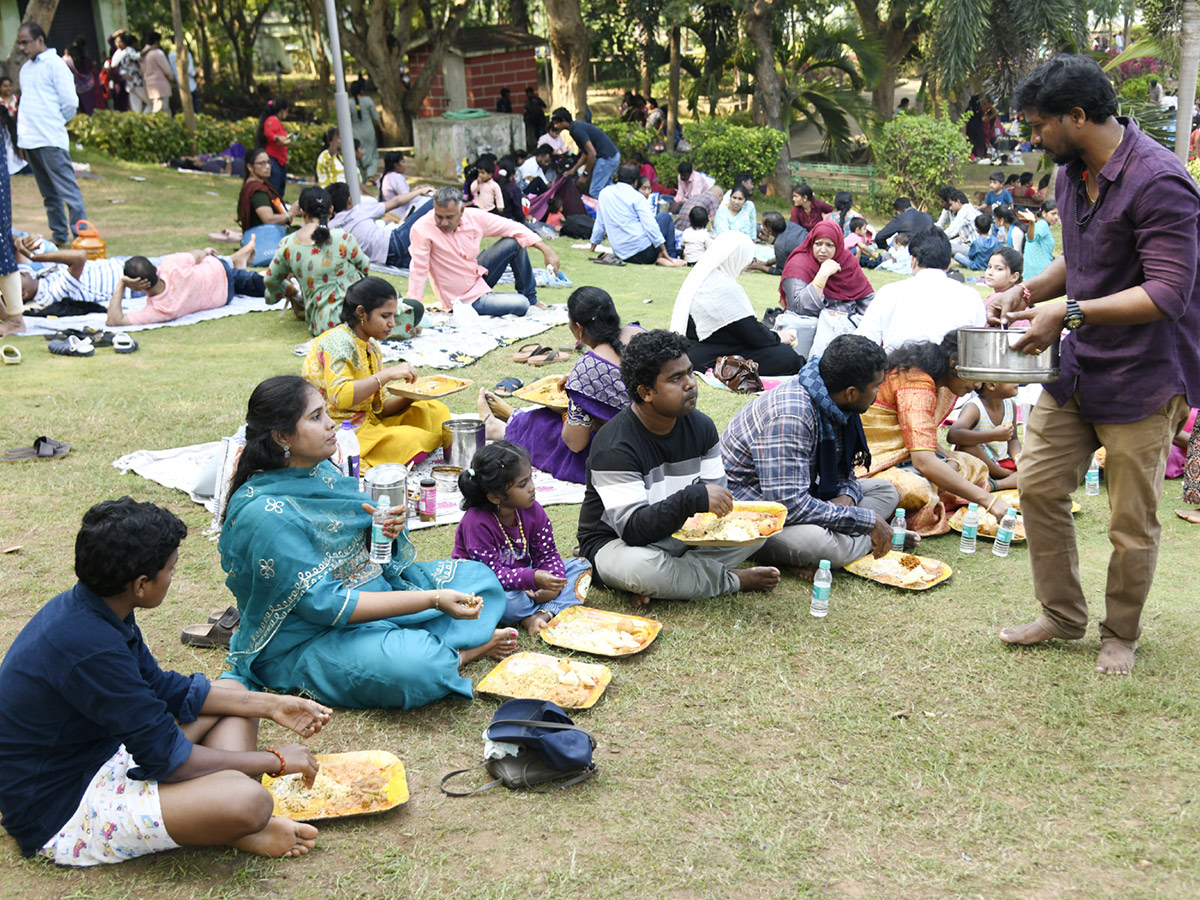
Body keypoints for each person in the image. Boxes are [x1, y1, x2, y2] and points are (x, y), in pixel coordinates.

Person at [985, 55, 1200, 675]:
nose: (1034, 138)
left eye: (1040, 125)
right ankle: (1061, 615)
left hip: (1145, 375)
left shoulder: (1161, 182)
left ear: (1077, 117)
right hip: (1078, 368)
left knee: (1130, 521)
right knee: (1038, 486)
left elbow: (1167, 293)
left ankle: (1121, 633)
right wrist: (1026, 293)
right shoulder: (1070, 173)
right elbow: (1079, 259)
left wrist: (1068, 313)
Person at [0, 497, 329, 865]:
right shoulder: (90, 647)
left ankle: (210, 815)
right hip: (62, 807)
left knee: (235, 693)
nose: (174, 576)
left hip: (102, 754)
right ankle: (231, 824)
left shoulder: (99, 608)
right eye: (171, 569)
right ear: (140, 584)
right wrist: (276, 760)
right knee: (249, 801)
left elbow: (161, 688)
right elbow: (169, 760)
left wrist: (272, 706)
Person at [219, 375, 516, 709]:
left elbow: (366, 554)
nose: (332, 424)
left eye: (325, 413)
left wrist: (384, 534)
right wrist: (432, 599)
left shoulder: (320, 472)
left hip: (372, 593)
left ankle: (419, 638)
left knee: (481, 580)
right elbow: (327, 605)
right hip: (311, 636)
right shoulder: (265, 514)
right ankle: (463, 653)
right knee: (419, 665)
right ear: (282, 436)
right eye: (316, 417)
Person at [576, 330, 782, 607]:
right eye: (676, 378)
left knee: (755, 534)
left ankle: (671, 581)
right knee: (642, 568)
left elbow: (717, 504)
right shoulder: (615, 447)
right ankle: (731, 580)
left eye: (689, 373)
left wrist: (715, 511)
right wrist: (693, 498)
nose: (690, 385)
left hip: (681, 533)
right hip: (617, 542)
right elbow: (634, 530)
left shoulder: (702, 426)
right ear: (646, 392)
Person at [722, 335, 904, 573]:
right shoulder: (791, 415)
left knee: (885, 491)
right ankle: (868, 541)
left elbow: (844, 471)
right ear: (851, 392)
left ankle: (856, 540)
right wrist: (864, 520)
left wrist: (847, 498)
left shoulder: (834, 400)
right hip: (755, 511)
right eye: (876, 387)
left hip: (805, 493)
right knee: (816, 543)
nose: (878, 394)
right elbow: (788, 506)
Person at [478, 287, 640, 483]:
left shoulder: (588, 369)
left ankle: (503, 427)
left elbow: (575, 443)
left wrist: (573, 399)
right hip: (664, 438)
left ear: (579, 328)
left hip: (628, 458)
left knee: (543, 424)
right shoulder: (638, 332)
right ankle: (510, 418)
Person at [859, 334, 1009, 535]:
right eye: (976, 375)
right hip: (872, 461)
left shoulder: (940, 382)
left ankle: (961, 490)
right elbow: (923, 461)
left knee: (973, 464)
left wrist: (947, 459)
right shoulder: (916, 383)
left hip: (907, 457)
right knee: (917, 490)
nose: (978, 385)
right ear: (954, 362)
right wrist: (989, 501)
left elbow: (922, 438)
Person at [302, 277, 444, 467]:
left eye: (393, 316)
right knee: (413, 439)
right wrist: (386, 375)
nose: (393, 323)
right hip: (341, 431)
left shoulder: (372, 346)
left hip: (370, 422)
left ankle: (414, 443)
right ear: (361, 312)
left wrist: (414, 395)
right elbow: (341, 397)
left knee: (435, 411)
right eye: (385, 316)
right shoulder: (337, 342)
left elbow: (380, 406)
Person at [453, 441, 590, 635]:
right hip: (488, 584)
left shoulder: (532, 510)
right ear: (495, 497)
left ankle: (543, 614)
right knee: (506, 601)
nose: (532, 488)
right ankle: (528, 615)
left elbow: (547, 553)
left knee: (581, 567)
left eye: (531, 479)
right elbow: (491, 574)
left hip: (526, 577)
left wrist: (553, 580)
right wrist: (531, 579)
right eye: (522, 484)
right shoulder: (476, 523)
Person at [406, 186, 558, 316]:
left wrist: (546, 250)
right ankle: (525, 302)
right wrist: (414, 310)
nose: (443, 222)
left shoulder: (473, 217)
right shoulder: (422, 228)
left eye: (449, 217)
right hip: (462, 300)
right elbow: (418, 271)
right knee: (522, 304)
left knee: (514, 243)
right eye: (439, 217)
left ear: (462, 210)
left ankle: (531, 299)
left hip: (477, 277)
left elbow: (512, 227)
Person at [671, 232, 803, 376]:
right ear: (736, 258)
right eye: (747, 259)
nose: (746, 266)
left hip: (697, 351)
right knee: (786, 356)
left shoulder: (703, 278)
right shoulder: (724, 286)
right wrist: (778, 337)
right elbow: (753, 335)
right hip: (711, 355)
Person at [15, 23, 88, 248]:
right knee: (48, 194)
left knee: (68, 190)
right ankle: (59, 235)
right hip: (30, 139)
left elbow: (69, 103)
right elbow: (26, 105)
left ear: (39, 40)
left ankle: (83, 235)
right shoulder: (25, 69)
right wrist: (22, 139)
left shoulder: (56, 64)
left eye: (25, 42)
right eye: (19, 43)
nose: (21, 47)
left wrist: (54, 121)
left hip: (50, 138)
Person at [855, 227, 985, 351]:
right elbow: (978, 345)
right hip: (952, 370)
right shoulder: (971, 296)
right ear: (949, 264)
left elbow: (864, 342)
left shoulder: (889, 292)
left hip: (899, 369)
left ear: (913, 260)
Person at [264, 187, 369, 336]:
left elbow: (270, 280)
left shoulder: (288, 244)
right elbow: (365, 267)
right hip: (360, 318)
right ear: (331, 210)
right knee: (409, 309)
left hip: (323, 324)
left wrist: (289, 290)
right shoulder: (343, 238)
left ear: (302, 212)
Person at [106, 244, 265, 327]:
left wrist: (121, 284)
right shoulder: (171, 264)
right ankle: (238, 261)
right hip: (217, 266)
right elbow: (198, 255)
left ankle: (239, 262)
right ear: (155, 268)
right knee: (262, 283)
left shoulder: (161, 310)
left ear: (136, 287)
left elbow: (114, 320)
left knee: (253, 283)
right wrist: (205, 250)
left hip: (225, 294)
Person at [588, 161, 683, 266]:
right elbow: (650, 225)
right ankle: (669, 257)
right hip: (644, 253)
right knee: (665, 217)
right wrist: (663, 250)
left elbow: (600, 223)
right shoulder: (637, 197)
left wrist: (592, 247)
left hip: (621, 253)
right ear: (636, 181)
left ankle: (662, 257)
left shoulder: (605, 193)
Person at [779, 220, 875, 320]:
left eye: (829, 245)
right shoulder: (799, 264)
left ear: (838, 245)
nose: (823, 250)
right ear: (812, 243)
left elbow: (867, 299)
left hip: (848, 323)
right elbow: (799, 308)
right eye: (818, 244)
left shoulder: (847, 261)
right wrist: (822, 275)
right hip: (811, 325)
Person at [328, 181, 431, 271]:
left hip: (389, 260)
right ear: (349, 201)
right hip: (395, 242)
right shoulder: (358, 211)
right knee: (437, 200)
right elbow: (396, 202)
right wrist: (420, 191)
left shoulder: (330, 227)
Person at [947, 381, 1022, 489]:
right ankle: (1004, 478)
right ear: (991, 385)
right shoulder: (975, 407)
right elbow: (953, 435)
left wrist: (1018, 458)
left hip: (1003, 462)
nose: (1016, 381)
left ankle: (1000, 481)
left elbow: (1013, 439)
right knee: (967, 446)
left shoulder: (1010, 404)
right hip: (980, 464)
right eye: (1009, 378)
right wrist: (993, 435)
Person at [551, 107, 620, 196]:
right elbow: (585, 154)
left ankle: (601, 209)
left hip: (606, 158)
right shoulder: (575, 127)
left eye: (556, 123)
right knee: (606, 191)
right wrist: (573, 170)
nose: (555, 126)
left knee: (595, 191)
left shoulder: (576, 130)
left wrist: (585, 175)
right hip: (613, 156)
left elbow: (592, 153)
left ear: (563, 120)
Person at [236, 147, 301, 233]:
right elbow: (268, 219)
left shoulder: (258, 185)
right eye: (262, 163)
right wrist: (291, 213)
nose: (268, 167)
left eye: (269, 162)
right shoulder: (257, 190)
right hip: (267, 237)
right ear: (250, 167)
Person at [378, 150, 434, 220]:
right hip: (399, 214)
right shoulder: (396, 176)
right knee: (428, 201)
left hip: (391, 211)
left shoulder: (386, 176)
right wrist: (420, 191)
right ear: (396, 165)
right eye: (403, 162)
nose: (405, 165)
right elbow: (405, 197)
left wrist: (416, 190)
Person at [256, 98, 292, 199]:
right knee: (274, 186)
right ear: (282, 111)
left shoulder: (278, 122)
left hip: (280, 159)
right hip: (273, 158)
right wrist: (277, 138)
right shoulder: (272, 120)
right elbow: (269, 133)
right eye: (286, 111)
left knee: (280, 186)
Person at [349, 80, 383, 180]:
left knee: (357, 153)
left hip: (355, 132)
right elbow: (376, 116)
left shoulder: (348, 103)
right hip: (369, 131)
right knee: (373, 154)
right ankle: (370, 174)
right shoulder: (368, 100)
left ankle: (361, 176)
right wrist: (381, 127)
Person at [1017, 199, 1059, 279]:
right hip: (1039, 273)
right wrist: (1031, 223)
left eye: (1058, 214)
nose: (1056, 217)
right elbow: (1031, 238)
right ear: (1044, 213)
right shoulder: (1042, 225)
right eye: (1053, 214)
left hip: (1034, 273)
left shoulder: (1041, 226)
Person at [110, 32, 146, 112]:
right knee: (149, 103)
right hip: (136, 82)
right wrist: (148, 49)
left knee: (136, 108)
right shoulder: (129, 51)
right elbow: (137, 57)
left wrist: (127, 76)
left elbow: (121, 70)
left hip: (129, 83)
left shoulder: (123, 53)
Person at [939, 188, 981, 258]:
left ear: (958, 202)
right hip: (969, 244)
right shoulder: (966, 208)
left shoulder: (965, 211)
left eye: (951, 205)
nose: (950, 208)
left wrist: (935, 239)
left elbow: (952, 231)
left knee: (942, 247)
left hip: (973, 248)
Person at [139, 32, 173, 114]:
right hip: (161, 85)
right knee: (163, 110)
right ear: (157, 41)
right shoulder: (157, 53)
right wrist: (172, 79)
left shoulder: (142, 55)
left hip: (149, 85)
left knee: (155, 106)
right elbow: (167, 70)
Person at [63, 37, 97, 116]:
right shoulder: (86, 60)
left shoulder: (67, 62)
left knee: (81, 110)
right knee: (91, 109)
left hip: (77, 89)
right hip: (89, 87)